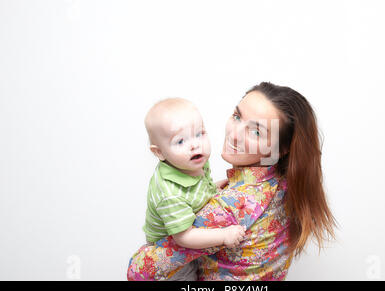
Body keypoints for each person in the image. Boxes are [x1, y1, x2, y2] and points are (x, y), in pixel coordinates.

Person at [127, 82, 337, 280]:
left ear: (280, 149)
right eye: (237, 116)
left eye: (255, 132)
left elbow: (138, 271)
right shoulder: (284, 183)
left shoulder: (232, 206)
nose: (234, 134)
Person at [142, 97, 245, 280]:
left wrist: (213, 188)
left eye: (200, 134)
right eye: (180, 141)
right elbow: (184, 238)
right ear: (159, 152)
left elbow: (195, 190)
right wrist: (224, 235)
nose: (195, 144)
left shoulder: (193, 162)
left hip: (187, 230)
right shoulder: (169, 191)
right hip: (168, 251)